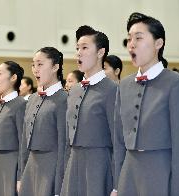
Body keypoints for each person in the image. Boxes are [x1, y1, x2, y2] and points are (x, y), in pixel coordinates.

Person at [113, 12, 179, 196]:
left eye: (138, 38)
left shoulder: (175, 83)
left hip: (160, 172)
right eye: (129, 39)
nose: (131, 44)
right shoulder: (124, 85)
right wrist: (116, 185)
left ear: (158, 44)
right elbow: (118, 141)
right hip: (128, 174)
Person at [60, 25, 117, 196]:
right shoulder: (74, 90)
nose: (79, 52)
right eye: (77, 48)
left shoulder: (112, 89)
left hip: (99, 165)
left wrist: (116, 183)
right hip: (73, 164)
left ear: (100, 52)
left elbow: (118, 139)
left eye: (85, 48)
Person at [19, 47, 67, 196]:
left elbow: (64, 145)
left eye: (40, 64)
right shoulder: (32, 98)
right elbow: (24, 140)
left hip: (51, 169)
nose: (35, 70)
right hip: (30, 169)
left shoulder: (64, 99)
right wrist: (21, 176)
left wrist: (60, 184)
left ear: (55, 67)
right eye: (33, 65)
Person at [0, 61, 26, 196]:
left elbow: (23, 144)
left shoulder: (21, 104)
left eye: (0, 73)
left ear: (13, 78)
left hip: (11, 165)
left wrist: (20, 176)